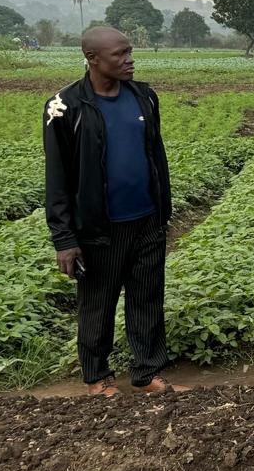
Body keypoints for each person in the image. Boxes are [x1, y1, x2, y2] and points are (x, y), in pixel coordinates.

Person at [43, 26, 177, 397]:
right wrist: (64, 238)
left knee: (147, 298)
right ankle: (97, 376)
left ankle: (148, 372)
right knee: (97, 304)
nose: (129, 60)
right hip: (100, 226)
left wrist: (162, 210)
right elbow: (57, 176)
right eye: (120, 54)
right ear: (92, 58)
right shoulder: (63, 107)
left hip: (147, 218)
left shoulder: (144, 96)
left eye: (129, 52)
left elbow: (154, 153)